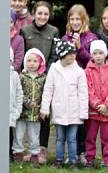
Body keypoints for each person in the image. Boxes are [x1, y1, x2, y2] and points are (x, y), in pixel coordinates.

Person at [21, 0, 59, 165]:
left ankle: (42, 148)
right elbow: (22, 52)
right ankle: (26, 149)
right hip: (28, 76)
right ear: (34, 14)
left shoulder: (54, 31)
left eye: (46, 13)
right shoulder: (25, 30)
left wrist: (46, 71)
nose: (42, 16)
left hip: (46, 76)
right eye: (39, 13)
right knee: (27, 112)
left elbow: (54, 55)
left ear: (49, 15)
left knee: (44, 112)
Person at [40, 40, 88, 168]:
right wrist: (45, 108)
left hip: (74, 111)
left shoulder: (79, 71)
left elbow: (83, 93)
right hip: (59, 109)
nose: (73, 56)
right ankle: (59, 159)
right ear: (62, 54)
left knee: (72, 138)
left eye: (74, 53)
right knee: (60, 138)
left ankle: (73, 160)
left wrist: (83, 112)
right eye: (69, 53)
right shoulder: (54, 69)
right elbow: (48, 89)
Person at [83, 39, 108, 168]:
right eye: (95, 53)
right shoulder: (87, 72)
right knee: (90, 137)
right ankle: (90, 159)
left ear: (105, 54)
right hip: (93, 112)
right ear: (91, 55)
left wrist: (107, 105)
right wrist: (98, 105)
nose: (98, 56)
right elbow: (88, 90)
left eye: (100, 53)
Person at [13, 48, 47, 166]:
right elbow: (18, 93)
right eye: (29, 61)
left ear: (40, 63)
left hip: (35, 113)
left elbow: (46, 94)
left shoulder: (43, 78)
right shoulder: (21, 76)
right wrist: (27, 102)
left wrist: (43, 108)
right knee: (19, 134)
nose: (31, 64)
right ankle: (18, 154)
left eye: (35, 61)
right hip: (22, 112)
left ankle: (34, 155)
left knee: (34, 135)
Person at [9, 48, 24, 141]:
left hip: (11, 112)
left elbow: (19, 93)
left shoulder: (14, 75)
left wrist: (18, 110)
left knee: (10, 134)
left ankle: (9, 153)